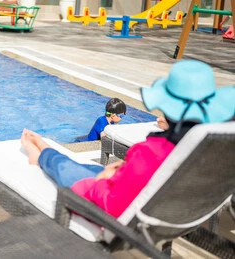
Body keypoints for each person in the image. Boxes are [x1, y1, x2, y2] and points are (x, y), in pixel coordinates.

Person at [21, 60, 235, 218]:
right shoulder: (214, 150)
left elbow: (112, 205)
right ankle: (46, 152)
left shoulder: (152, 152)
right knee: (83, 165)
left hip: (128, 209)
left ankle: (43, 152)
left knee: (68, 168)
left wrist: (102, 180)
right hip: (174, 206)